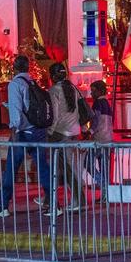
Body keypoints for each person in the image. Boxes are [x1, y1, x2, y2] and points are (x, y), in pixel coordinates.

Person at [0, 55, 54, 218]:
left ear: (14, 68)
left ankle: (2, 204)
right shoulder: (32, 82)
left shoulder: (15, 84)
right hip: (37, 131)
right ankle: (52, 203)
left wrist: (13, 131)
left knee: (11, 169)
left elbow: (17, 115)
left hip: (22, 133)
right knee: (43, 168)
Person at [47, 63, 85, 211]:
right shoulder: (73, 88)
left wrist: (50, 132)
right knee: (70, 168)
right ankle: (49, 197)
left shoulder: (54, 90)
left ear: (52, 76)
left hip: (61, 133)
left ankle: (78, 202)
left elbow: (55, 116)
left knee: (67, 169)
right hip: (75, 131)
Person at [87, 80, 113, 192]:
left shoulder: (97, 103)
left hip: (99, 139)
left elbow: (96, 120)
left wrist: (89, 131)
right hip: (108, 138)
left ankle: (102, 184)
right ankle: (106, 193)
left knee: (87, 163)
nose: (91, 94)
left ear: (100, 91)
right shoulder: (107, 103)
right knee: (104, 167)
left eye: (93, 91)